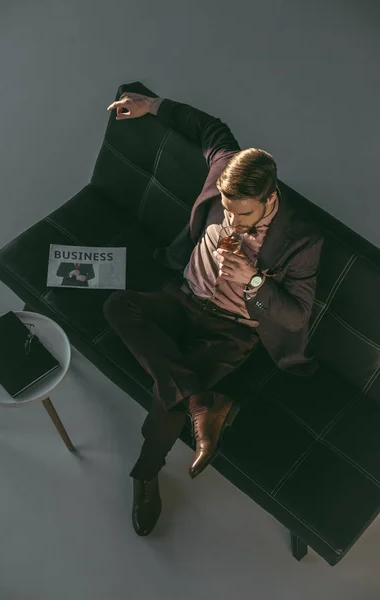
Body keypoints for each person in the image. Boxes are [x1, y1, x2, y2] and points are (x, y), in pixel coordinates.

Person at [103, 91, 324, 537]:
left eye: (244, 216)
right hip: (182, 297)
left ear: (268, 197)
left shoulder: (302, 239)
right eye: (228, 211)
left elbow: (298, 317)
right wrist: (152, 105)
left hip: (231, 333)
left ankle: (146, 475)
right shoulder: (226, 170)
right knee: (117, 305)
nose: (234, 222)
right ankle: (202, 400)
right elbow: (210, 129)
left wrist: (255, 281)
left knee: (165, 399)